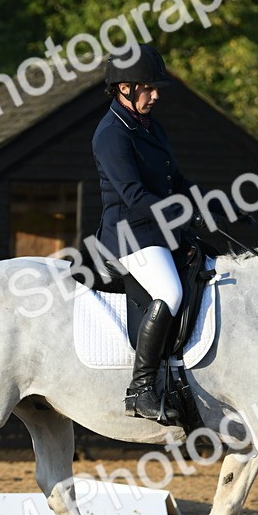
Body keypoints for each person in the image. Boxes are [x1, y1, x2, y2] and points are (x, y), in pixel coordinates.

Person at [91, 44, 204, 422]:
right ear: (124, 88)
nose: (155, 94)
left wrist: (208, 202)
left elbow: (175, 178)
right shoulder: (111, 135)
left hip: (156, 229)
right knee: (169, 292)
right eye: (148, 88)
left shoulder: (149, 125)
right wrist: (182, 214)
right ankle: (140, 389)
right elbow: (135, 197)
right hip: (129, 234)